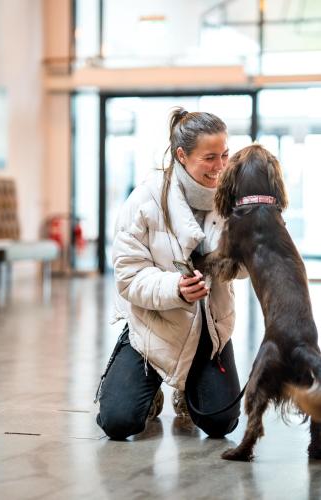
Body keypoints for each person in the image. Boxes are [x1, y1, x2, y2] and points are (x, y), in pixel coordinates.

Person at [95, 107, 242, 440]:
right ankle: (149, 388)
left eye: (225, 155)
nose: (220, 166)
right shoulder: (144, 199)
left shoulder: (230, 200)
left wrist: (262, 235)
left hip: (209, 331)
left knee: (222, 423)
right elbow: (128, 277)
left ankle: (187, 389)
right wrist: (175, 288)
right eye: (210, 158)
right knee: (118, 423)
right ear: (182, 155)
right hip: (154, 327)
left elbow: (243, 270)